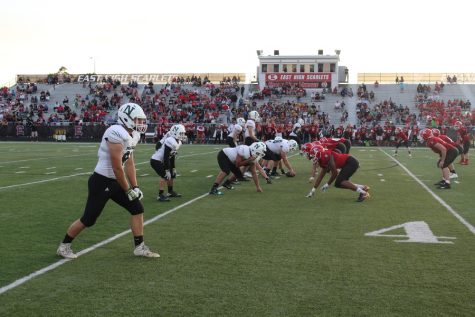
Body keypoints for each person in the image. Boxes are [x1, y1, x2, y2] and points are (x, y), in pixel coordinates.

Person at [57, 103, 159, 259]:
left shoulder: (133, 135)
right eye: (138, 120)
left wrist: (135, 186)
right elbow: (117, 167)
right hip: (102, 181)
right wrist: (128, 190)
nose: (141, 123)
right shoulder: (115, 132)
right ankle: (64, 246)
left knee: (137, 209)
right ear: (127, 118)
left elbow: (130, 162)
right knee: (89, 219)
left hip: (116, 181)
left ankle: (139, 247)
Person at [306, 147, 370, 202]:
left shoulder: (326, 156)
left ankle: (363, 193)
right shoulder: (321, 160)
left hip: (350, 162)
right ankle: (363, 188)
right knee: (338, 184)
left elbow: (335, 173)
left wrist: (327, 184)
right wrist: (313, 190)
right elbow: (321, 175)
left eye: (313, 156)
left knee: (341, 181)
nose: (313, 159)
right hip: (347, 164)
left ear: (318, 153)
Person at [150, 124, 186, 202]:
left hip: (163, 160)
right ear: (175, 133)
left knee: (172, 174)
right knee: (165, 176)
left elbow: (171, 156)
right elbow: (166, 157)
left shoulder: (178, 142)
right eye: (181, 133)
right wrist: (166, 170)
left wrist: (173, 168)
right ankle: (160, 195)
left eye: (183, 133)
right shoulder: (170, 140)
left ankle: (170, 192)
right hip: (156, 161)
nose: (182, 135)